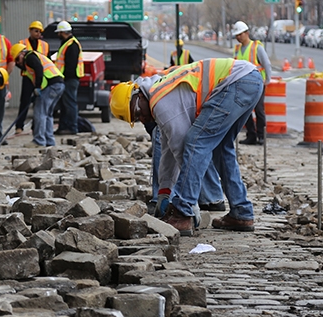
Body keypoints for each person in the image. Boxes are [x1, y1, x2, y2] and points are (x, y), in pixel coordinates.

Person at [110, 58, 264, 236]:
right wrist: (164, 190)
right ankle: (241, 213)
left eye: (138, 112)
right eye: (136, 119)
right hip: (248, 80)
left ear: (139, 95)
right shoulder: (157, 91)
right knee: (222, 149)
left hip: (235, 82)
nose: (143, 118)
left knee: (196, 142)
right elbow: (168, 148)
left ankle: (182, 214)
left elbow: (184, 150)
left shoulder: (160, 101)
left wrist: (188, 203)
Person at [12, 43, 65, 147]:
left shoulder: (30, 57)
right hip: (58, 84)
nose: (18, 63)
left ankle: (39, 140)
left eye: (18, 59)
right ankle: (49, 141)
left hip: (51, 85)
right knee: (48, 114)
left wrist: (37, 86)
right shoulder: (33, 57)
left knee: (39, 113)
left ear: (22, 53)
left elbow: (39, 69)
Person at [231, 21, 272, 145]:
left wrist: (268, 80)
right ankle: (251, 135)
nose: (238, 37)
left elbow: (266, 64)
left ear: (247, 33)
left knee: (259, 110)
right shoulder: (237, 49)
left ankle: (261, 136)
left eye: (240, 34)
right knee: (244, 112)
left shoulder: (256, 47)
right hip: (242, 86)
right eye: (236, 35)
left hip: (257, 85)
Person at [15, 21, 50, 136]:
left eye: (39, 31)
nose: (38, 33)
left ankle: (36, 126)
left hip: (40, 78)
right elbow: (16, 60)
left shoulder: (45, 45)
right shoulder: (22, 43)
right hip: (28, 77)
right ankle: (19, 126)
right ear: (30, 31)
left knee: (38, 102)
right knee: (24, 101)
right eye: (36, 31)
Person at [54, 21, 82, 135]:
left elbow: (70, 65)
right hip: (66, 79)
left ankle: (72, 127)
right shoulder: (67, 43)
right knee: (65, 104)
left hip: (69, 79)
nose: (58, 35)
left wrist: (63, 77)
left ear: (62, 32)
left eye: (59, 33)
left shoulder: (72, 45)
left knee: (70, 104)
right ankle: (64, 127)